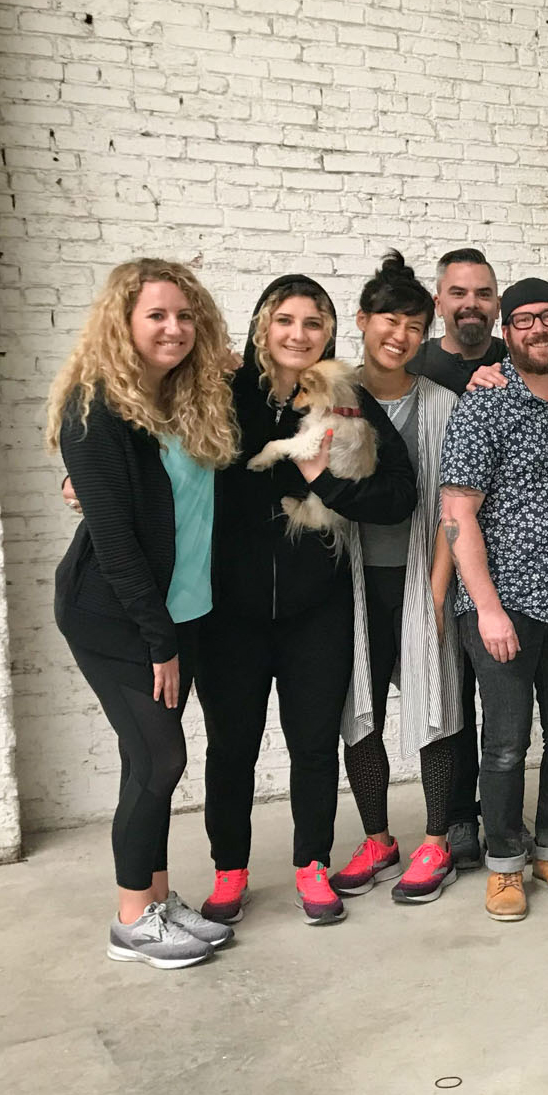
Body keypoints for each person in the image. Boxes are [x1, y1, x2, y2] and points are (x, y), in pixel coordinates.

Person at [199, 275, 418, 926]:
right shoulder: (222, 391)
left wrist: (329, 484)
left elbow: (401, 491)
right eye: (286, 320)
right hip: (229, 612)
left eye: (313, 323)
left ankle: (310, 865)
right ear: (264, 324)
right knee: (231, 747)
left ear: (328, 333)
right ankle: (230, 869)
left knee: (315, 745)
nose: (299, 334)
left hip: (315, 607)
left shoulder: (343, 397)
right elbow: (154, 446)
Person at [49, 259, 239, 968]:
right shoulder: (94, 409)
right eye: (157, 314)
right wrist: (159, 640)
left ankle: (156, 898)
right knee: (161, 757)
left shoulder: (188, 399)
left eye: (186, 315)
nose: (174, 328)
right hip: (116, 616)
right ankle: (132, 920)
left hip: (183, 613)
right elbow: (119, 544)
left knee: (146, 762)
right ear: (123, 321)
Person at [439, 278, 548, 922]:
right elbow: (457, 513)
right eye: (524, 320)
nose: (538, 329)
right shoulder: (484, 404)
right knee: (504, 745)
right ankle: (505, 864)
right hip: (504, 609)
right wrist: (488, 608)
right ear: (507, 333)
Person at [327, 253, 465, 904]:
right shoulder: (332, 395)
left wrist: (438, 592)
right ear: (361, 320)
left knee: (436, 706)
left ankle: (436, 840)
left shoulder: (441, 404)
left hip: (419, 579)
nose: (401, 334)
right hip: (350, 582)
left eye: (415, 324)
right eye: (389, 319)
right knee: (360, 713)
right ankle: (378, 837)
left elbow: (453, 507)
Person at [415, 248, 504, 871]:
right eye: (458, 293)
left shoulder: (519, 358)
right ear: (439, 301)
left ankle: (498, 812)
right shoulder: (416, 365)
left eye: (482, 294)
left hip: (508, 562)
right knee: (449, 695)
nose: (471, 303)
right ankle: (457, 817)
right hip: (431, 558)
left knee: (500, 699)